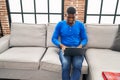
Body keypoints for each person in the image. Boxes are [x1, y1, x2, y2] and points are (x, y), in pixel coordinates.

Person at [52, 7, 88, 80]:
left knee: (77, 65)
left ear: (75, 16)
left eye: (73, 17)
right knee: (65, 65)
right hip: (65, 49)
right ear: (66, 15)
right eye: (69, 17)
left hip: (77, 49)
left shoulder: (80, 25)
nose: (71, 19)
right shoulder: (60, 24)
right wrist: (61, 46)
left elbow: (85, 39)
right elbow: (53, 38)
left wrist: (80, 46)